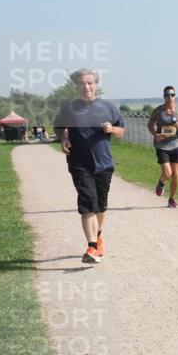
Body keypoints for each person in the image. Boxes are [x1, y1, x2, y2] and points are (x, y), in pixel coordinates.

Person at [53, 68, 125, 265]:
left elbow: (121, 131)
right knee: (87, 204)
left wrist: (112, 129)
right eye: (82, 83)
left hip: (103, 164)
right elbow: (59, 127)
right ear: (76, 85)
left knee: (100, 207)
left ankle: (98, 237)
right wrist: (65, 136)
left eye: (90, 83)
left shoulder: (108, 107)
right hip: (79, 163)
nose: (86, 86)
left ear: (96, 84)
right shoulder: (69, 108)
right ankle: (91, 246)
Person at [147, 85, 178, 208]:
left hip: (176, 145)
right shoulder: (158, 111)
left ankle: (172, 199)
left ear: (175, 96)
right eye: (167, 95)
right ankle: (161, 183)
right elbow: (150, 124)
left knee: (176, 174)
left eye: (172, 95)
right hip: (162, 146)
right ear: (164, 96)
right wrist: (155, 134)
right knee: (167, 173)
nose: (170, 97)